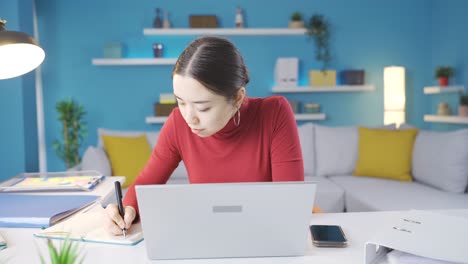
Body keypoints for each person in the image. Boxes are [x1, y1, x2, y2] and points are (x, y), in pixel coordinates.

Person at [105, 36, 304, 235]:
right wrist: (126, 209)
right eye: (181, 102)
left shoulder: (274, 113)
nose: (189, 118)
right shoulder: (177, 123)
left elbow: (290, 202)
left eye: (203, 107)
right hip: (207, 236)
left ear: (237, 97)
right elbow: (146, 184)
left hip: (265, 236)